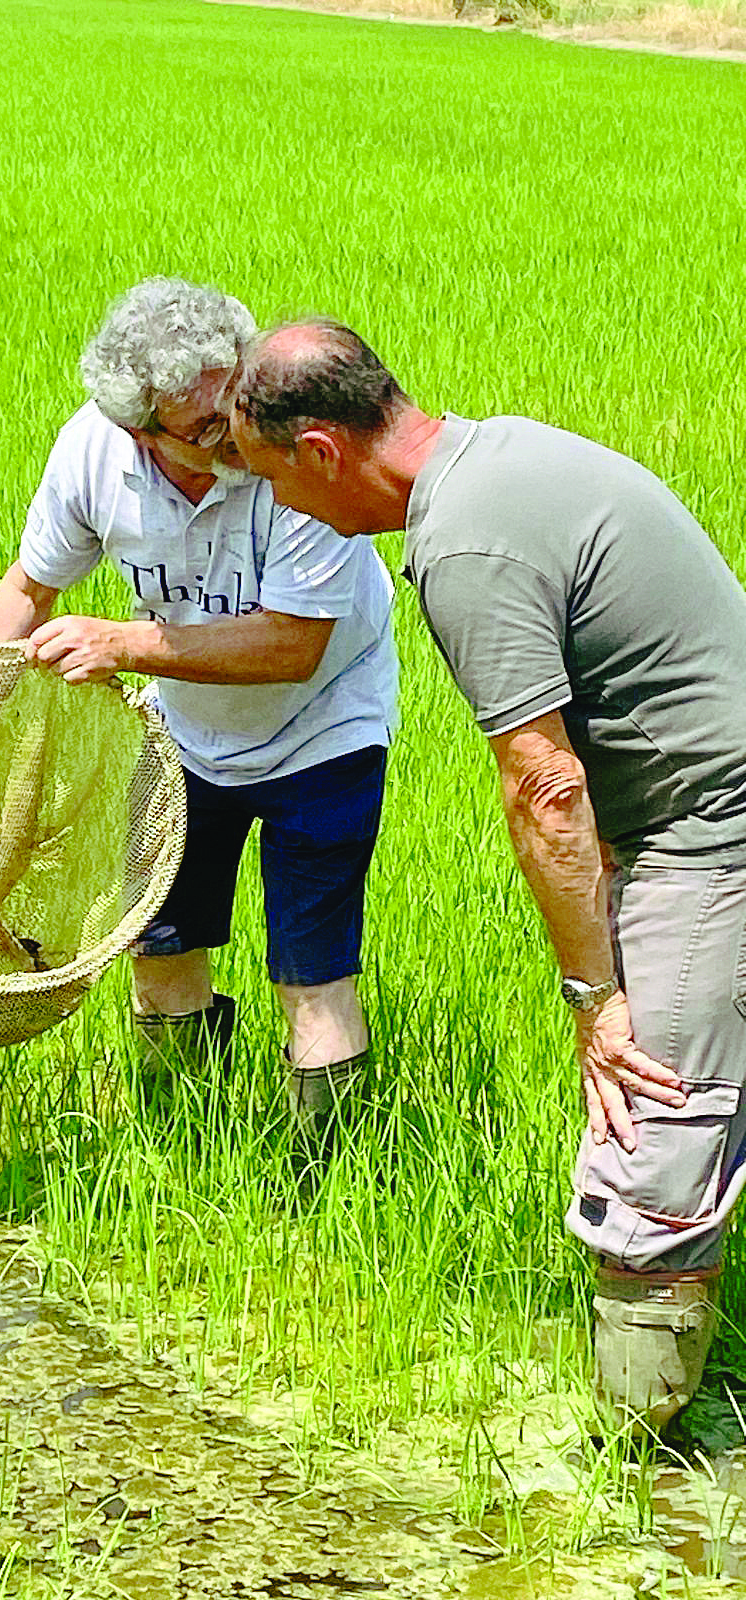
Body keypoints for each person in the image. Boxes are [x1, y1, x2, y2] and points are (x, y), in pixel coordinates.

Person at [228, 317, 746, 1433]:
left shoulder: (464, 545)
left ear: (321, 450)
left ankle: (634, 1472)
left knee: (647, 1139)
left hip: (717, 833)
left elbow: (545, 786)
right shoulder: (502, 454)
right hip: (703, 807)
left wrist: (594, 999)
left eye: (276, 479)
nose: (287, 510)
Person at [0, 280, 398, 1146]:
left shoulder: (290, 458)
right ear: (140, 431)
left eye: (234, 403)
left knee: (311, 978)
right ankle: (182, 1146)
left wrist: (127, 645)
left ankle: (322, 1186)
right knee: (158, 946)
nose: (234, 437)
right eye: (203, 430)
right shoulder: (94, 456)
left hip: (325, 727)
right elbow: (30, 587)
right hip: (185, 736)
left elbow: (292, 646)